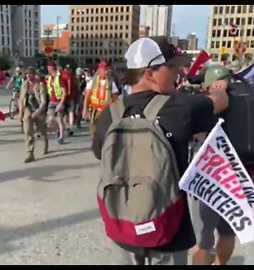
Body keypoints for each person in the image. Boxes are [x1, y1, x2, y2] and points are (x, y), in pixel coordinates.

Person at [91, 37, 229, 265]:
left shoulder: (109, 115)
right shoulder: (181, 107)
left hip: (123, 224)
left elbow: (100, 153)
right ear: (149, 73)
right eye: (172, 66)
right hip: (167, 228)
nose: (179, 71)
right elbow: (221, 101)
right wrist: (219, 88)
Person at [188, 64, 238, 265]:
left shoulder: (208, 105)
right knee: (227, 231)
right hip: (240, 176)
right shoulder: (247, 100)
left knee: (203, 236)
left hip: (210, 177)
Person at [18, 67, 49, 163]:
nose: (28, 76)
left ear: (34, 74)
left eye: (30, 73)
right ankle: (30, 153)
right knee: (28, 131)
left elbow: (43, 102)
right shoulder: (24, 84)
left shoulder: (40, 85)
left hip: (38, 109)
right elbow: (21, 100)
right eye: (27, 74)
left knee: (41, 130)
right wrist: (21, 113)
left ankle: (45, 141)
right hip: (28, 108)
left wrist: (37, 112)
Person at [82, 61, 120, 138]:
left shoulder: (111, 82)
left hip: (106, 110)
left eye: (107, 69)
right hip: (95, 110)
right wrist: (85, 110)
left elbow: (115, 97)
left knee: (106, 130)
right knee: (94, 130)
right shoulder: (93, 81)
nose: (106, 72)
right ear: (99, 70)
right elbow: (87, 96)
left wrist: (118, 111)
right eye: (104, 69)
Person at [45, 62, 67, 144]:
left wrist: (61, 104)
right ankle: (58, 129)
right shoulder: (49, 78)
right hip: (52, 101)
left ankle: (61, 136)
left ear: (53, 68)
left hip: (59, 101)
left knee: (60, 120)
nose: (48, 69)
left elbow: (64, 92)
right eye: (48, 68)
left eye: (49, 68)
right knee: (51, 119)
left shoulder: (60, 79)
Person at [61, 66, 77, 136]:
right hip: (71, 97)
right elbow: (74, 85)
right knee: (71, 112)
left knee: (65, 114)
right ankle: (71, 126)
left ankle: (67, 126)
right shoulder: (71, 76)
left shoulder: (62, 75)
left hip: (63, 97)